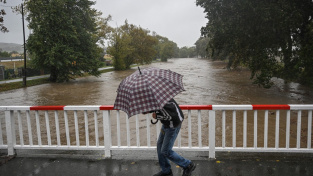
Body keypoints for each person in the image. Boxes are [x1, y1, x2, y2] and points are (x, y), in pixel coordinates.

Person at [150, 99, 196, 176]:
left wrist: (157, 115)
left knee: (165, 151)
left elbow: (172, 115)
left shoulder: (164, 101)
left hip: (173, 126)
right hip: (166, 125)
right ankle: (166, 171)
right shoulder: (158, 98)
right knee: (160, 146)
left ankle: (188, 165)